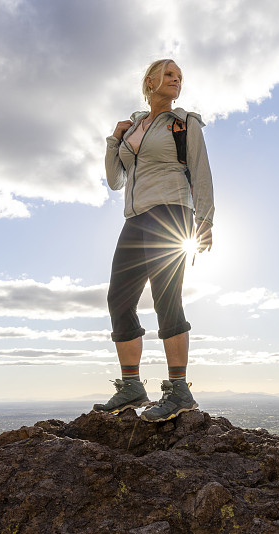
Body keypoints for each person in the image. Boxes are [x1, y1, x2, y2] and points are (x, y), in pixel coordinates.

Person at [94, 59, 214, 422]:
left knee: (166, 298)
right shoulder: (132, 127)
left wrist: (205, 221)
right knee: (119, 298)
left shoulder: (184, 123)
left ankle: (179, 391)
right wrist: (114, 140)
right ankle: (131, 386)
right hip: (136, 218)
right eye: (169, 75)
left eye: (179, 77)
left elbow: (201, 169)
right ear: (150, 81)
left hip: (171, 211)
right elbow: (115, 180)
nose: (176, 80)